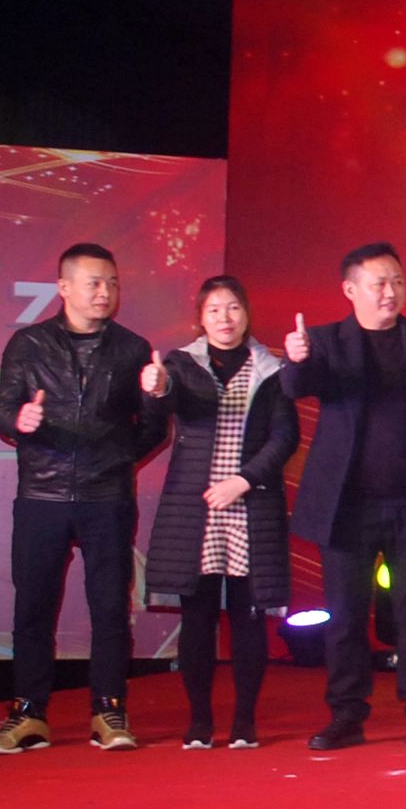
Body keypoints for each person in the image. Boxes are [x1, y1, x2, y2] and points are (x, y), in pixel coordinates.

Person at [283, 242, 406, 753]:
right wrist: (295, 360)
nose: (390, 292)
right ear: (350, 289)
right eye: (378, 283)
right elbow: (297, 386)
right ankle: (347, 715)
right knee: (345, 617)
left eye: (397, 282)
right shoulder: (325, 342)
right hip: (346, 507)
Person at [0, 242, 164, 755]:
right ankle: (28, 714)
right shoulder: (29, 344)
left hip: (107, 497)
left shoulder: (132, 349)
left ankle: (109, 710)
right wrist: (19, 420)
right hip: (41, 494)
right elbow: (3, 410)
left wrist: (153, 402)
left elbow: (154, 429)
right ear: (63, 287)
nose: (105, 292)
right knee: (33, 607)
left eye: (112, 283)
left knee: (109, 607)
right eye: (94, 283)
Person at [140, 276, 298, 750]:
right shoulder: (180, 365)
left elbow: (285, 437)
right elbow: (162, 411)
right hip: (197, 508)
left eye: (233, 308)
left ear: (246, 314)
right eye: (214, 310)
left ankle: (245, 721)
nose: (224, 319)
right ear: (200, 319)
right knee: (198, 616)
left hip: (251, 503)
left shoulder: (272, 369)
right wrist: (155, 389)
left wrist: (243, 480)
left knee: (249, 616)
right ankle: (200, 722)